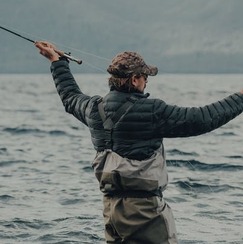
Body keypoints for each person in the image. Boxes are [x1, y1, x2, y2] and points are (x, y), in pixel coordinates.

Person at [35, 41, 243, 244]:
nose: (146, 82)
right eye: (144, 77)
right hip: (145, 213)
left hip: (111, 210)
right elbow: (202, 119)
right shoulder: (152, 111)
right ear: (134, 79)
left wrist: (57, 62)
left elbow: (70, 97)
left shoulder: (93, 109)